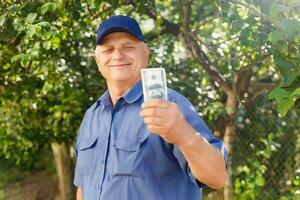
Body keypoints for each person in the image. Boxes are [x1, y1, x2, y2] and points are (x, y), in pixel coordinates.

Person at [74, 15, 228, 200]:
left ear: (146, 53)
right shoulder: (92, 116)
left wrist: (183, 133)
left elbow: (217, 177)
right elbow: (84, 187)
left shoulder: (170, 104)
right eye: (108, 49)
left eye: (128, 47)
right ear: (97, 60)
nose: (117, 55)